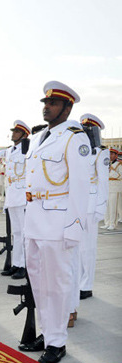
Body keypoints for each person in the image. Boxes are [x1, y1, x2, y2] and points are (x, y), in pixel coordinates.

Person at [20, 81, 90, 363]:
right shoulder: (39, 138)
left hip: (58, 222)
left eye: (52, 103)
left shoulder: (75, 138)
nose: (46, 107)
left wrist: (74, 228)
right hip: (35, 220)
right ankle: (48, 333)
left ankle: (57, 341)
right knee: (38, 283)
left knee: (57, 284)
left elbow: (81, 186)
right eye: (45, 103)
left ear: (67, 106)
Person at [77, 114, 109, 302]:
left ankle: (86, 285)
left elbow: (103, 182)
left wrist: (100, 208)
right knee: (77, 247)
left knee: (88, 248)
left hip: (91, 205)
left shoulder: (101, 153)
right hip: (78, 204)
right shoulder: (80, 151)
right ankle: (78, 281)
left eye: (88, 129)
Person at [0, 120, 30, 280]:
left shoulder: (28, 149)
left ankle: (24, 265)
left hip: (22, 196)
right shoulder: (9, 151)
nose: (13, 134)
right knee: (16, 233)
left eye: (17, 132)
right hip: (12, 196)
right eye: (13, 131)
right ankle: (16, 264)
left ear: (24, 134)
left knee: (24, 233)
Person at [103, 148, 121, 230]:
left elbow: (120, 176)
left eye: (112, 154)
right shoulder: (106, 163)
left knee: (113, 207)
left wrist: (111, 171)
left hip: (115, 187)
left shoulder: (119, 164)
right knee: (106, 207)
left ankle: (113, 224)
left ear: (116, 155)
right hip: (107, 187)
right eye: (109, 154)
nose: (110, 155)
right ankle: (107, 222)